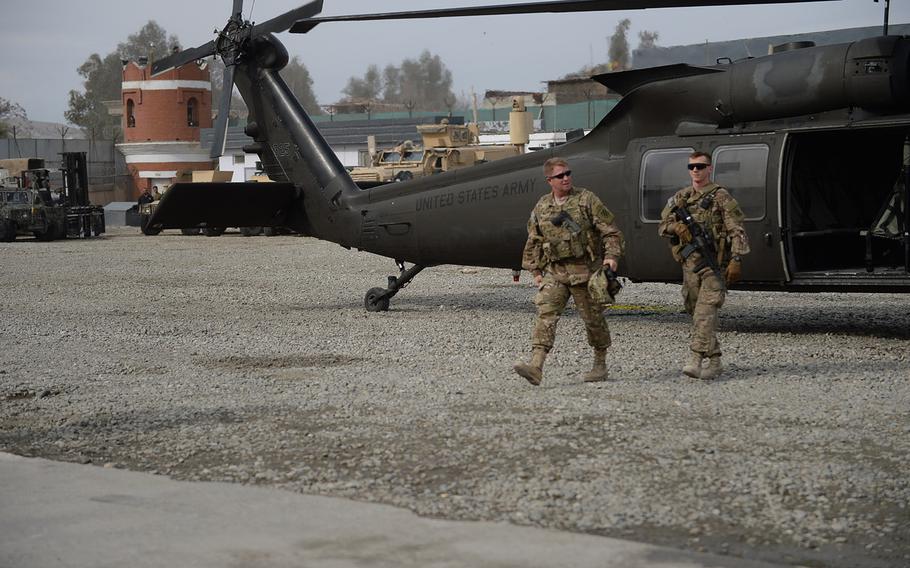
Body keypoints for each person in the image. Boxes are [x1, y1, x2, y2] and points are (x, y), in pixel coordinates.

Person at [513, 157, 624, 386]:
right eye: (560, 176)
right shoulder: (542, 206)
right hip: (557, 272)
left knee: (593, 320)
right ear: (549, 180)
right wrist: (535, 270)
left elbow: (611, 232)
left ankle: (600, 364)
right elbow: (534, 239)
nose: (566, 178)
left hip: (586, 272)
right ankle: (536, 365)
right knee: (546, 314)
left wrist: (611, 258)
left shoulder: (586, 200)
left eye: (568, 173)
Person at [658, 151, 750, 380]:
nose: (696, 171)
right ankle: (715, 359)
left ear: (710, 168)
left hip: (714, 266)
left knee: (705, 312)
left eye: (700, 166)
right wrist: (674, 228)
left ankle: (695, 358)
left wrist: (737, 259)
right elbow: (662, 226)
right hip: (690, 265)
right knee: (694, 310)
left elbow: (736, 229)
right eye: (692, 167)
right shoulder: (681, 198)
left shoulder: (721, 197)